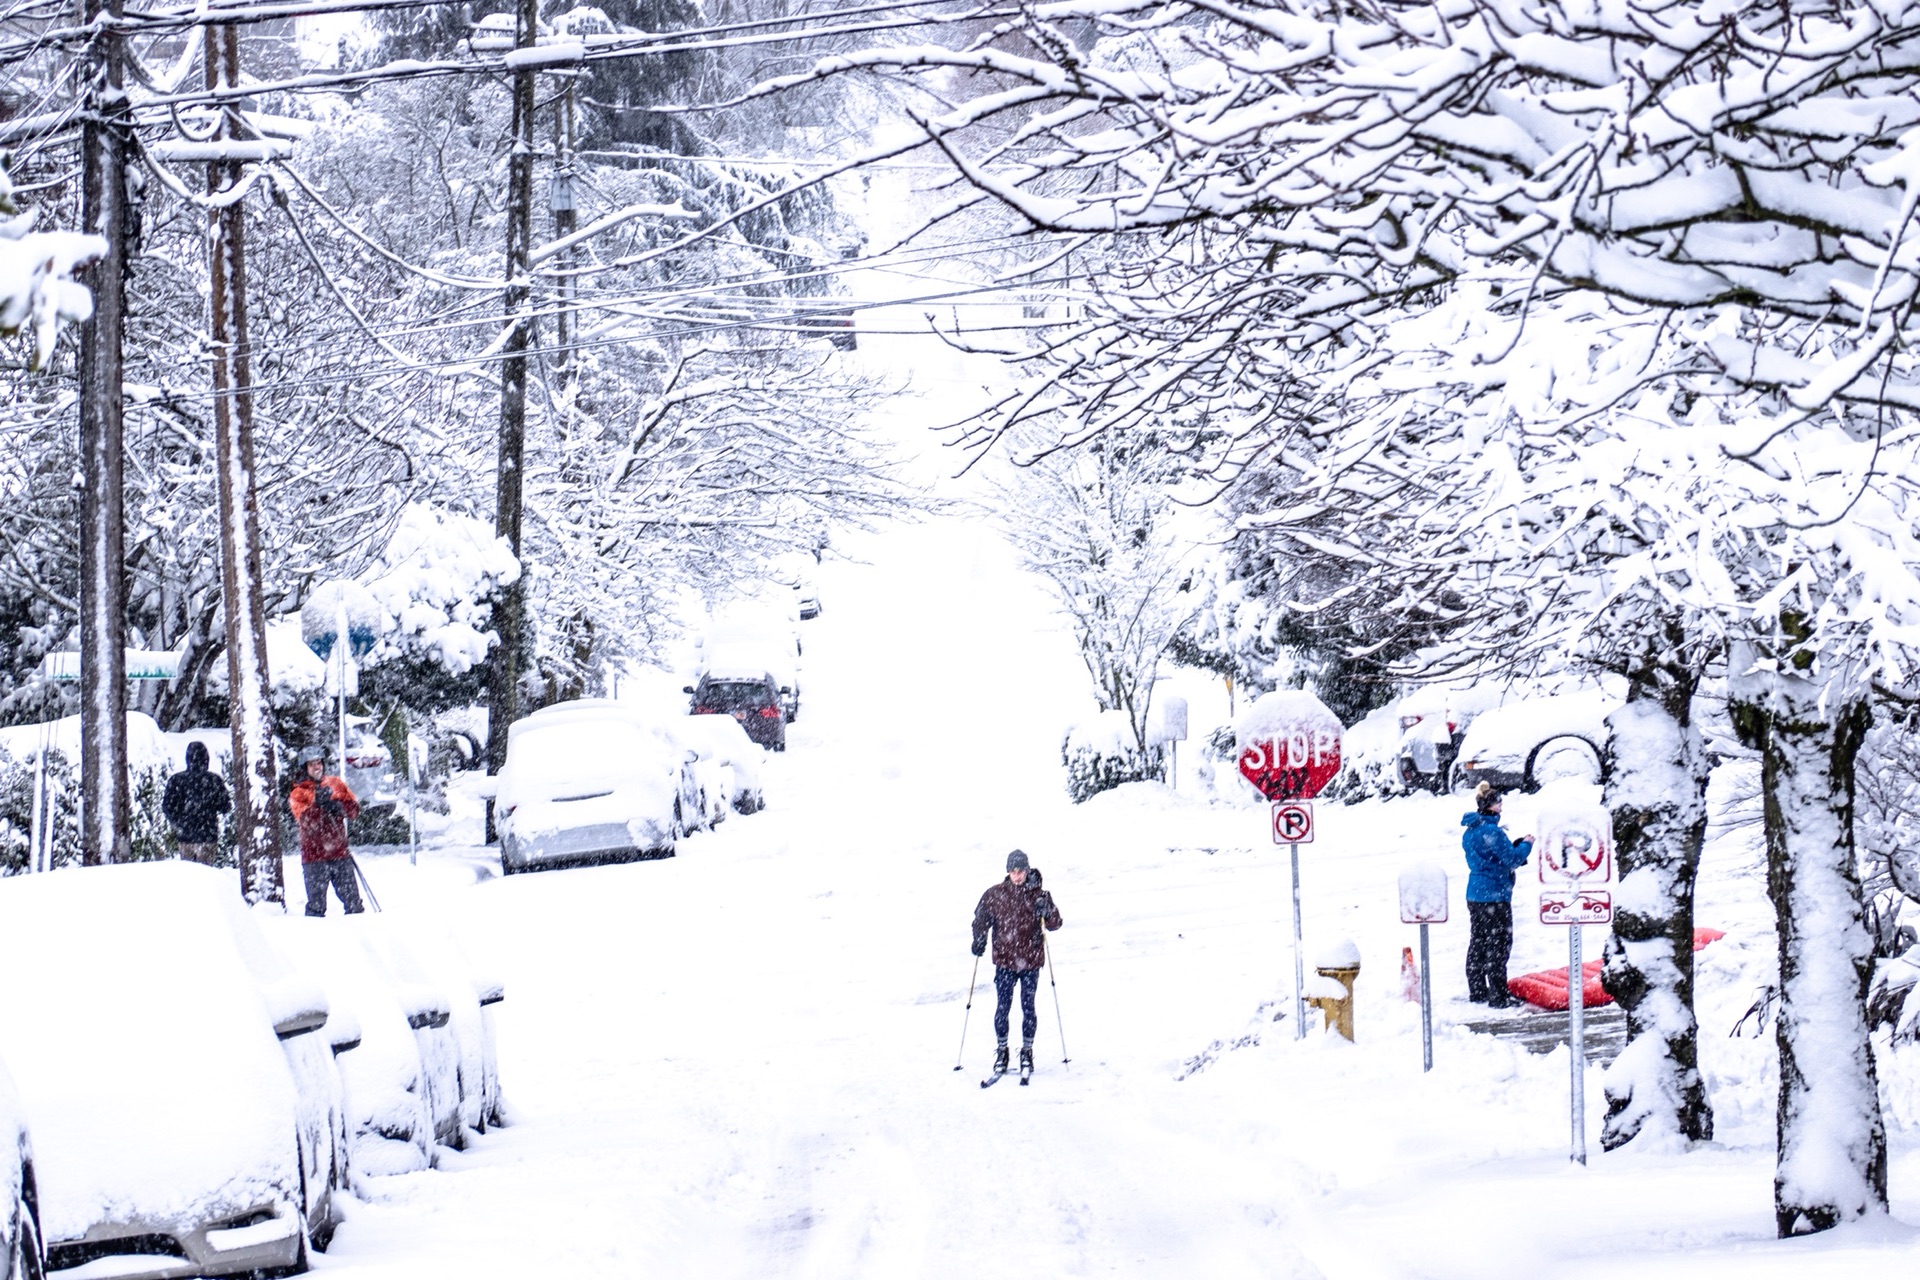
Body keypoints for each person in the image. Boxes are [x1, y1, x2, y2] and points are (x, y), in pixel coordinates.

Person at [970, 850, 1064, 1076]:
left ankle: (1027, 1052)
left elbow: (1055, 923)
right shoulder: (995, 894)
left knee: (1027, 1007)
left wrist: (1047, 910)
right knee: (1002, 1008)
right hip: (1004, 961)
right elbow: (980, 919)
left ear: (1027, 870)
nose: (1017, 875)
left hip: (1031, 961)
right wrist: (979, 938)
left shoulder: (1040, 895)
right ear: (1008, 871)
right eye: (1013, 871)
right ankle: (1002, 1051)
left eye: (1021, 870)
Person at [1461, 782, 1533, 1007]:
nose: (1501, 805)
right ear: (1491, 806)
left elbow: (1490, 857)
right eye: (1499, 802)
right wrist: (1526, 846)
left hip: (1475, 894)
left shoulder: (1470, 831)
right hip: (1495, 895)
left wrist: (1512, 847)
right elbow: (1511, 860)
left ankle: (1478, 991)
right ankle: (1499, 996)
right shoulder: (1491, 831)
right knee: (1499, 945)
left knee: (1478, 942)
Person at [289, 746, 364, 917]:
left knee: (354, 903)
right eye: (312, 764)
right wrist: (319, 805)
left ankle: (361, 936)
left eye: (319, 763)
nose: (317, 767)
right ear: (304, 768)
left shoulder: (336, 784)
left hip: (339, 853)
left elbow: (353, 811)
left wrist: (339, 806)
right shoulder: (298, 792)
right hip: (314, 857)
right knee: (316, 906)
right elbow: (306, 822)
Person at [161, 740, 230, 866]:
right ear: (206, 759)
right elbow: (225, 807)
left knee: (190, 874)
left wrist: (178, 822)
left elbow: (167, 806)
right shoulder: (214, 780)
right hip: (208, 836)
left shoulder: (176, 780)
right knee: (206, 872)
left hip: (185, 836)